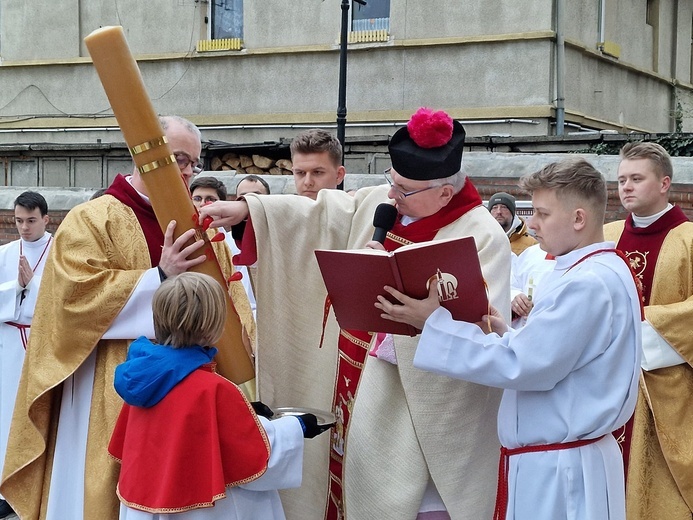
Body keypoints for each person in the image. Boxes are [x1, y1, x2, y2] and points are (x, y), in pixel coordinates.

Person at [199, 107, 510, 520]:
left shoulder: (480, 238)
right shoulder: (382, 204)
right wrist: (249, 212)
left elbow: (485, 339)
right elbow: (321, 214)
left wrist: (424, 322)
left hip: (406, 415)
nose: (392, 197)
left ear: (444, 194)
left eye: (404, 190)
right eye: (392, 182)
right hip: (345, 384)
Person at [0, 116, 255, 520]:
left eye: (194, 162)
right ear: (144, 155)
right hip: (109, 381)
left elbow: (232, 294)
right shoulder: (93, 218)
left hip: (191, 386)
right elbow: (70, 299)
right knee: (103, 493)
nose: (187, 171)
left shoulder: (199, 224)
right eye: (178, 159)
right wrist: (159, 277)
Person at [377, 157, 642, 520]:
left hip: (559, 471)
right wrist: (507, 332)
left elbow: (522, 366)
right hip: (566, 458)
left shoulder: (585, 283)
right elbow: (561, 357)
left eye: (543, 214)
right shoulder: (601, 268)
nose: (531, 224)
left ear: (579, 218)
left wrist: (433, 323)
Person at [109, 272, 329, 520]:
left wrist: (246, 410)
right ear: (210, 328)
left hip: (147, 505)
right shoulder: (212, 389)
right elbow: (255, 458)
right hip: (204, 511)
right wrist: (296, 426)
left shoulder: (141, 376)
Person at [603, 142, 693, 519]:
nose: (626, 187)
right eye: (622, 179)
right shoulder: (604, 236)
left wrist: (640, 331)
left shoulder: (689, 238)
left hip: (664, 384)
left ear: (664, 184)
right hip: (605, 383)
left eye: (637, 179)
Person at [0, 191, 52, 520]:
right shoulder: (5, 253)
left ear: (46, 219)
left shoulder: (61, 250)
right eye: (18, 221)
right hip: (8, 343)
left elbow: (67, 297)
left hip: (42, 341)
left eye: (31, 221)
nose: (24, 227)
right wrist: (16, 289)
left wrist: (32, 286)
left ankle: (35, 485)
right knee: (5, 416)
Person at [509, 243, 556, 328]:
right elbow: (511, 283)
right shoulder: (532, 253)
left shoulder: (584, 266)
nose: (532, 228)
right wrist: (515, 297)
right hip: (516, 333)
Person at [290, 129, 346, 199]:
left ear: (339, 175)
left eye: (317, 172)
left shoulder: (355, 208)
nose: (307, 182)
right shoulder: (280, 208)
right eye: (300, 173)